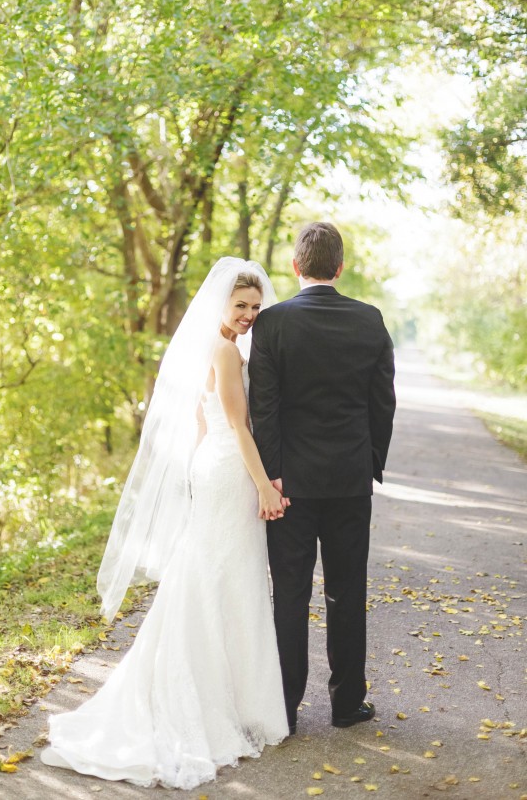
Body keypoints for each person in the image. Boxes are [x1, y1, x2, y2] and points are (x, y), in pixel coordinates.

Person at [41, 259, 289, 789]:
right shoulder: (224, 352)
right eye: (240, 305)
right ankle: (215, 699)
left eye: (254, 307)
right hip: (229, 471)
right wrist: (265, 484)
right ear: (222, 304)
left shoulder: (215, 347)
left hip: (214, 468)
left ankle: (224, 692)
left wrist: (203, 472)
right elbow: (240, 429)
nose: (248, 314)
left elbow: (203, 422)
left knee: (214, 575)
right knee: (225, 577)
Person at [249, 222, 396, 735]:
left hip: (290, 486)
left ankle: (284, 709)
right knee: (347, 590)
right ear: (339, 267)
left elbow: (262, 410)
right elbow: (383, 404)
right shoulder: (370, 320)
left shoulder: (271, 325)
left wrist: (273, 477)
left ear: (296, 267)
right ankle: (347, 705)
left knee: (289, 594)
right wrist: (370, 461)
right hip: (350, 481)